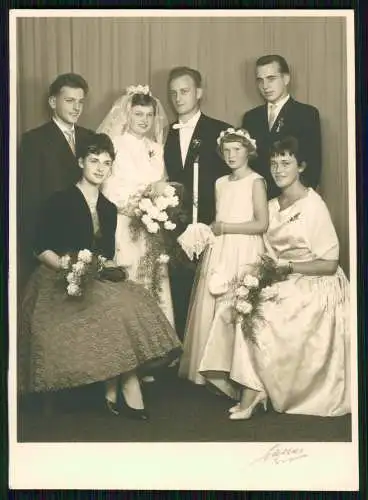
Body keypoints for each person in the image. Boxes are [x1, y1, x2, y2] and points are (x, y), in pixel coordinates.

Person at [18, 133, 181, 421]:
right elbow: (40, 247)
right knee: (112, 308)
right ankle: (125, 386)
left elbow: (102, 253)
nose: (100, 168)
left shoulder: (107, 207)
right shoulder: (60, 200)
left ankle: (115, 385)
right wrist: (68, 268)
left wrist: (102, 268)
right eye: (94, 161)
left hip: (91, 275)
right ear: (81, 162)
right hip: (56, 276)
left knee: (134, 298)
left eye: (106, 163)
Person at [198, 137, 350, 419]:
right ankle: (248, 385)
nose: (279, 170)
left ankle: (254, 390)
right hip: (283, 275)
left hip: (315, 280)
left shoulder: (314, 205)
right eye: (274, 163)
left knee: (265, 309)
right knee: (237, 303)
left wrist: (287, 268)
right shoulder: (271, 205)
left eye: (286, 162)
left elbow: (329, 264)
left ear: (301, 166)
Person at [178, 128, 268, 386]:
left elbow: (261, 224)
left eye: (237, 150)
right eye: (226, 150)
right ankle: (213, 370)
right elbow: (219, 218)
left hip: (245, 247)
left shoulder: (256, 182)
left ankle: (240, 372)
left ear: (248, 151)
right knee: (214, 301)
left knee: (237, 303)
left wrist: (225, 227)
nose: (231, 155)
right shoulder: (220, 183)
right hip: (221, 248)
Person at [97, 85, 175, 329]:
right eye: (138, 114)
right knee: (129, 280)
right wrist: (138, 202)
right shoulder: (114, 143)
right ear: (127, 114)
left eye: (149, 115)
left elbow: (161, 184)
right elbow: (107, 186)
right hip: (124, 224)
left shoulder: (156, 148)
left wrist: (160, 204)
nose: (144, 120)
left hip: (151, 229)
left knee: (154, 281)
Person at [164, 66, 232, 339]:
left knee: (209, 290)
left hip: (209, 225)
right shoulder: (164, 133)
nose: (178, 98)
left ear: (199, 93)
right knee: (177, 289)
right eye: (173, 93)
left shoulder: (220, 130)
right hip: (172, 227)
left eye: (185, 91)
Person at [18, 73, 94, 288]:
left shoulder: (90, 137)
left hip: (84, 239)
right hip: (51, 240)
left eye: (80, 101)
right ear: (53, 102)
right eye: (69, 101)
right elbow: (30, 199)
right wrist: (41, 250)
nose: (76, 107)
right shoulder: (34, 140)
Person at [242, 55, 321, 199]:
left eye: (271, 79)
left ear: (286, 79)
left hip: (293, 200)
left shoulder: (306, 114)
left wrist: (299, 201)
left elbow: (313, 164)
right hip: (257, 201)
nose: (265, 86)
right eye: (260, 80)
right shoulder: (250, 118)